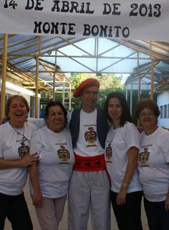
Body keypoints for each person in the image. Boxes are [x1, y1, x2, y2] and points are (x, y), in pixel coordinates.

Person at [0, 95, 39, 230]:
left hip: (16, 193)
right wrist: (21, 162)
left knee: (25, 227)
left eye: (22, 106)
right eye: (14, 106)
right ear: (8, 111)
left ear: (27, 110)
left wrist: (36, 190)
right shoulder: (0, 132)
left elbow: (49, 120)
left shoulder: (32, 129)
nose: (18, 109)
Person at [136, 99, 169, 230]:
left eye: (150, 113)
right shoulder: (139, 137)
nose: (146, 117)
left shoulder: (165, 136)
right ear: (139, 117)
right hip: (150, 198)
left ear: (156, 115)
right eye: (143, 114)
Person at [68, 78, 110, 230]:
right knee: (77, 215)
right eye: (88, 93)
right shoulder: (72, 115)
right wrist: (9, 120)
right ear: (81, 95)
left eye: (95, 93)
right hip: (78, 171)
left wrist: (152, 130)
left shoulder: (105, 114)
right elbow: (49, 123)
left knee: (102, 215)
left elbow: (123, 126)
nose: (92, 96)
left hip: (100, 170)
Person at [29, 101, 74, 230]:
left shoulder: (68, 134)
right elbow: (32, 164)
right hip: (44, 191)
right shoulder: (39, 134)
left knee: (55, 223)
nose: (57, 117)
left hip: (61, 190)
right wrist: (36, 191)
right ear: (47, 118)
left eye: (60, 113)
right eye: (52, 114)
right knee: (50, 227)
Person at [104, 92, 143, 230]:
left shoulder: (128, 128)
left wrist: (124, 188)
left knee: (133, 226)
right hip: (115, 189)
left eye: (118, 106)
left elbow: (132, 159)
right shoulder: (110, 130)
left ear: (124, 108)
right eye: (111, 106)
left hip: (130, 189)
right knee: (123, 226)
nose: (114, 109)